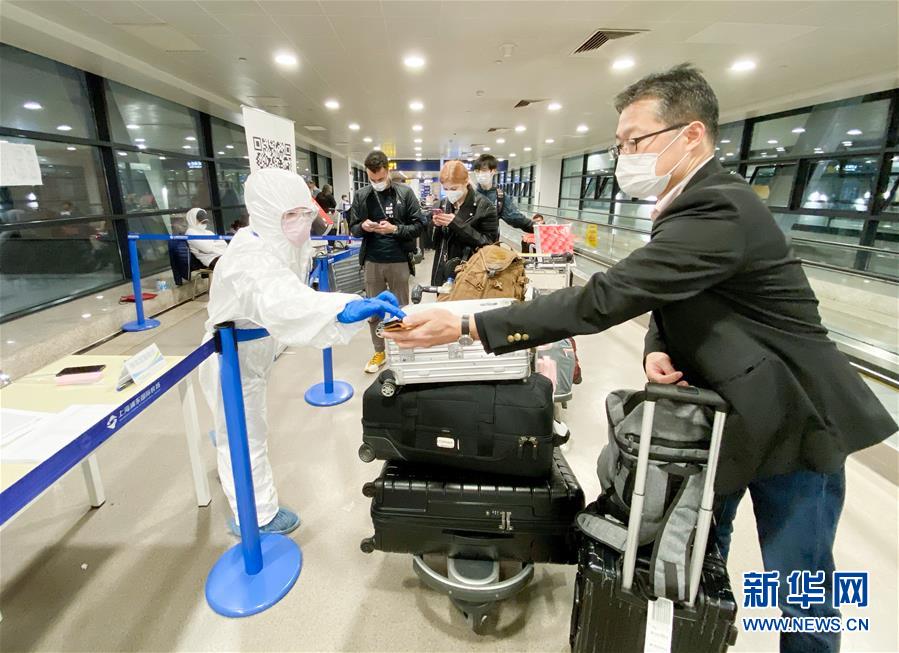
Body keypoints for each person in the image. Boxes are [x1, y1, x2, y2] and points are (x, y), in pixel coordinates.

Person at [385, 64, 897, 653]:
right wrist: (658, 348)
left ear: (691, 136)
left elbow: (608, 297)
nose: (623, 154)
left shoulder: (721, 209)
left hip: (793, 421)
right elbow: (671, 299)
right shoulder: (687, 207)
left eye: (636, 141)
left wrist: (469, 321)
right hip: (722, 416)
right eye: (620, 143)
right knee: (699, 556)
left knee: (800, 583)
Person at [200, 167, 403, 536]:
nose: (300, 223)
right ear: (263, 212)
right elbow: (284, 302)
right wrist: (345, 307)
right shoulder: (247, 257)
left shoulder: (285, 242)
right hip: (232, 356)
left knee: (237, 427)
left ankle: (225, 447)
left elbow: (298, 294)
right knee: (244, 434)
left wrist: (346, 304)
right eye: (289, 215)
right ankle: (257, 518)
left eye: (304, 213)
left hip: (259, 346)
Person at [348, 150, 426, 374]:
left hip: (398, 260)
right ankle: (379, 350)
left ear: (388, 170)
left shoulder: (405, 193)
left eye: (380, 179)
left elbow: (420, 225)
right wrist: (362, 227)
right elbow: (353, 228)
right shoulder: (362, 195)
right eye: (372, 179)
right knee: (374, 310)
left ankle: (403, 347)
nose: (377, 183)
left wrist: (395, 229)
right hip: (372, 261)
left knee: (401, 308)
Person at [430, 159, 499, 286]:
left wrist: (456, 223)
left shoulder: (485, 207)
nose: (450, 192)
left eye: (454, 188)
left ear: (466, 181)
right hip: (443, 270)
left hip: (472, 273)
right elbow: (432, 244)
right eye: (446, 189)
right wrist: (435, 225)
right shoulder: (442, 204)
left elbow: (490, 244)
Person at [473, 153, 534, 233]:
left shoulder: (500, 197)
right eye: (477, 171)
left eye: (484, 170)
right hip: (467, 242)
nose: (480, 174)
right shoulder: (470, 193)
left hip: (489, 242)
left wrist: (535, 227)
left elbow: (515, 218)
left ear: (493, 171)